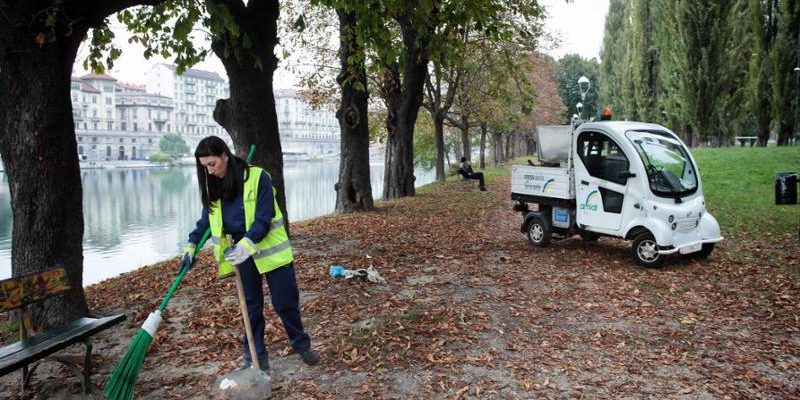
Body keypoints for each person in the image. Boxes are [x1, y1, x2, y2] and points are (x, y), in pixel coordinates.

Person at [182, 136, 319, 371]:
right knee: (251, 307)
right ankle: (255, 356)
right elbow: (206, 220)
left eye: (212, 164)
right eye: (204, 167)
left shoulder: (258, 177)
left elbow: (263, 218)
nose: (210, 171)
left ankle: (301, 345)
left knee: (285, 303)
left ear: (225, 155)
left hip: (271, 251)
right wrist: (191, 245)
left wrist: (247, 244)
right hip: (240, 255)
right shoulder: (212, 185)